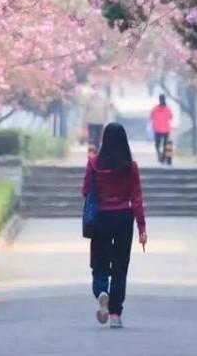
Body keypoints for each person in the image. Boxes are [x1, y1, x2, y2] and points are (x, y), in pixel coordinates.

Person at [82, 122, 147, 329]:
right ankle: (116, 314)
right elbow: (136, 198)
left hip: (101, 217)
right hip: (123, 218)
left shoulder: (94, 164)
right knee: (120, 266)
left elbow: (85, 191)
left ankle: (101, 290)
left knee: (100, 261)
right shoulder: (131, 167)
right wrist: (142, 228)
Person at [82, 86, 112, 152]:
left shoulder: (104, 100)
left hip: (100, 122)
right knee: (92, 139)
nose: (97, 92)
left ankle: (96, 152)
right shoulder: (89, 99)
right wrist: (83, 124)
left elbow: (106, 111)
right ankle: (92, 153)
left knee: (98, 139)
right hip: (91, 122)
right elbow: (84, 111)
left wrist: (107, 122)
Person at [149, 94, 173, 164]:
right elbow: (170, 117)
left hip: (157, 129)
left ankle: (160, 155)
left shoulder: (155, 109)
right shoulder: (168, 109)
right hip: (166, 130)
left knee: (157, 145)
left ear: (159, 99)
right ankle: (163, 156)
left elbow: (151, 117)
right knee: (165, 145)